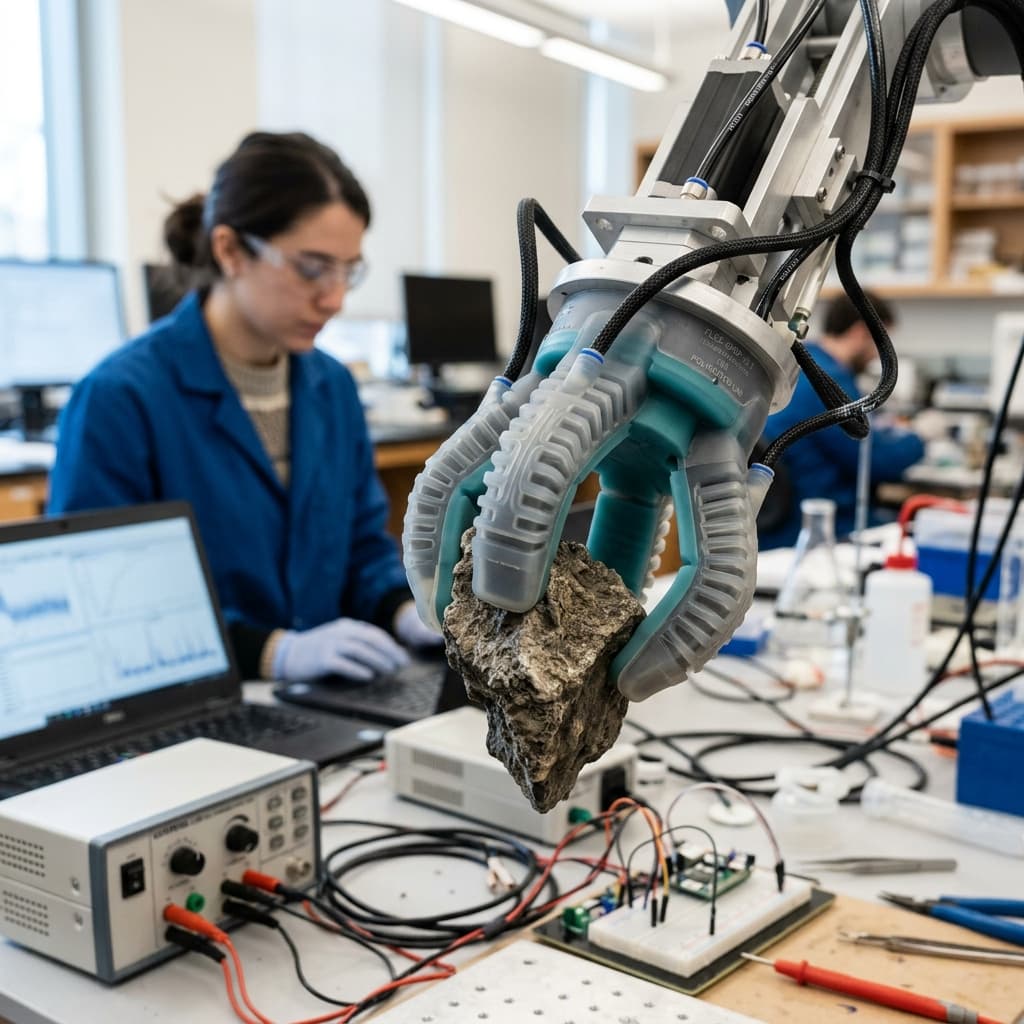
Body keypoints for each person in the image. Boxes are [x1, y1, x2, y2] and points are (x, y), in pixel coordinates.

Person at [49, 131, 440, 682]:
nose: (334, 298)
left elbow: (358, 548)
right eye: (311, 268)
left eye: (348, 270)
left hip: (329, 698)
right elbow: (105, 609)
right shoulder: (121, 398)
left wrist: (404, 609)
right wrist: (271, 652)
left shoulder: (331, 387)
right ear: (230, 250)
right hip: (198, 709)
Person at [758, 292, 925, 549]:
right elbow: (876, 462)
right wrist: (920, 437)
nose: (876, 358)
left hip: (776, 526)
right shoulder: (829, 383)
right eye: (881, 344)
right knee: (918, 531)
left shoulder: (799, 366)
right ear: (861, 333)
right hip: (820, 526)